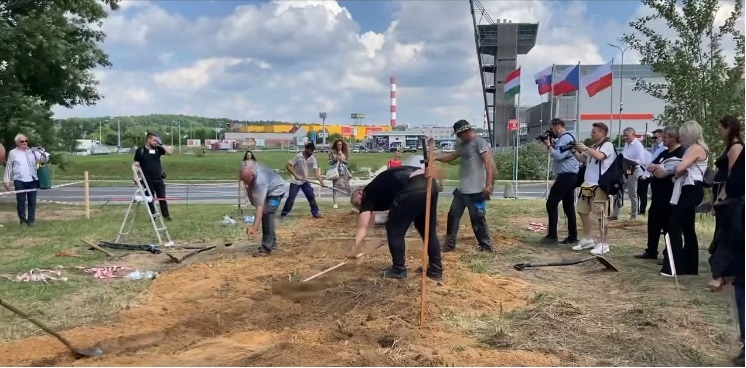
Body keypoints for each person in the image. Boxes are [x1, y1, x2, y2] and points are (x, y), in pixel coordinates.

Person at [350, 165, 443, 281]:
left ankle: (398, 269)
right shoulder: (379, 187)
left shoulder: (367, 194)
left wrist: (355, 248)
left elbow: (362, 228)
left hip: (414, 187)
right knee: (427, 230)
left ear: (359, 193)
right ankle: (435, 269)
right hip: (430, 183)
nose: (361, 208)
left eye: (358, 204)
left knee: (394, 230)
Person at [707, 115, 744, 365]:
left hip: (737, 206)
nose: (718, 131)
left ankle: (722, 274)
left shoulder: (737, 147)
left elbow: (732, 180)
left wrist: (722, 199)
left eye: (720, 128)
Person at [435, 120, 495, 253]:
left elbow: (488, 164)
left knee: (477, 219)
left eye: (459, 134)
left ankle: (486, 247)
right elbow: (451, 156)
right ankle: (449, 245)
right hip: (462, 190)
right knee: (452, 216)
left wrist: (488, 185)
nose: (458, 137)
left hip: (476, 190)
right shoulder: (463, 144)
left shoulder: (479, 142)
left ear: (465, 131)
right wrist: (435, 157)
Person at [660, 120, 708, 277]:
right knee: (687, 228)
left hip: (692, 189)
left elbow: (680, 168)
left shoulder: (697, 149)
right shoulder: (692, 149)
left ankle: (674, 267)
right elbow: (680, 169)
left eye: (683, 135)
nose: (681, 138)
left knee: (674, 226)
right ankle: (690, 266)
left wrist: (676, 168)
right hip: (688, 188)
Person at [635, 126, 685, 260]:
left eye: (665, 137)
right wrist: (660, 168)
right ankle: (651, 250)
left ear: (674, 137)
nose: (663, 139)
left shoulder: (681, 153)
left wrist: (661, 170)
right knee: (653, 223)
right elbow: (651, 166)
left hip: (670, 196)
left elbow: (669, 171)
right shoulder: (664, 153)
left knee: (668, 226)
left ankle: (669, 254)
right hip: (657, 196)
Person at [570, 122, 615, 255]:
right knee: (582, 211)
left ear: (602, 133)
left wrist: (585, 148)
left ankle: (603, 243)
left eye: (594, 132)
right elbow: (582, 159)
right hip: (587, 185)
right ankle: (588, 239)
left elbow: (600, 157)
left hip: (600, 186)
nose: (592, 134)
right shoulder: (594, 147)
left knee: (601, 215)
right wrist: (575, 151)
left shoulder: (608, 145)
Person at [540, 118, 579, 245]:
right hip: (569, 176)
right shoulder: (563, 139)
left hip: (566, 176)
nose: (551, 131)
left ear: (557, 126)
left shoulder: (566, 138)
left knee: (551, 203)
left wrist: (549, 145)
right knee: (568, 207)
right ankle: (572, 236)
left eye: (552, 129)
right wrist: (551, 143)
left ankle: (552, 236)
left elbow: (559, 156)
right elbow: (560, 151)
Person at [241, 161, 287, 257]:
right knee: (265, 214)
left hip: (277, 190)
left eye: (247, 181)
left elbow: (260, 208)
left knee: (267, 214)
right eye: (244, 180)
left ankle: (266, 248)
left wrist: (254, 228)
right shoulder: (248, 176)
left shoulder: (259, 182)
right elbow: (250, 190)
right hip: (268, 188)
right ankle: (272, 242)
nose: (245, 183)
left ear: (253, 176)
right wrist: (254, 201)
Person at [2, 134, 49, 226]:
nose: (24, 143)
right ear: (17, 143)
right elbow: (9, 167)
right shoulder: (13, 153)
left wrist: (43, 152)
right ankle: (22, 221)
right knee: (21, 201)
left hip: (32, 180)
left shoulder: (33, 151)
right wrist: (6, 180)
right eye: (22, 141)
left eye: (26, 141)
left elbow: (44, 161)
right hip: (19, 180)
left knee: (32, 201)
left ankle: (31, 220)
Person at [134, 133, 173, 221]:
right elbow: (136, 164)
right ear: (148, 140)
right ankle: (153, 216)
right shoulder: (140, 151)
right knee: (150, 199)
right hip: (147, 179)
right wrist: (136, 176)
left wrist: (161, 144)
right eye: (154, 140)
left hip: (158, 178)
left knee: (162, 198)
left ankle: (166, 216)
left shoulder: (158, 149)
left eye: (157, 141)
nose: (156, 142)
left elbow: (169, 152)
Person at [610, 128, 647, 220]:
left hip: (632, 171)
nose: (625, 137)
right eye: (624, 135)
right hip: (623, 171)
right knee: (618, 191)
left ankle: (634, 216)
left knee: (632, 193)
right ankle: (615, 214)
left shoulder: (638, 145)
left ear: (633, 134)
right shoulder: (627, 144)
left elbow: (642, 161)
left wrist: (629, 162)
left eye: (627, 135)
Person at [281, 142, 324, 219]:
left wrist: (321, 182)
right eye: (310, 151)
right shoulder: (298, 156)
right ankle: (284, 214)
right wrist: (295, 175)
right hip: (295, 181)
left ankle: (315, 213)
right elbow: (288, 165)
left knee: (311, 196)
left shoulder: (313, 159)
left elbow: (316, 173)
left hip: (305, 181)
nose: (311, 153)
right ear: (306, 149)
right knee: (291, 198)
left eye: (313, 151)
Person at [638, 129, 665, 215]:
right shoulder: (655, 148)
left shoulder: (664, 148)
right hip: (652, 175)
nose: (653, 140)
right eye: (652, 138)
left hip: (660, 175)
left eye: (655, 137)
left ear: (661, 137)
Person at [328, 139, 352, 209]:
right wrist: (335, 159)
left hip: (344, 171)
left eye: (340, 144)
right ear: (336, 145)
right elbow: (329, 162)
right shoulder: (332, 152)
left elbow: (347, 162)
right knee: (335, 188)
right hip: (336, 172)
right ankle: (335, 203)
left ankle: (352, 200)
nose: (339, 146)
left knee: (348, 187)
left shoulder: (345, 152)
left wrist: (343, 160)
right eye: (338, 144)